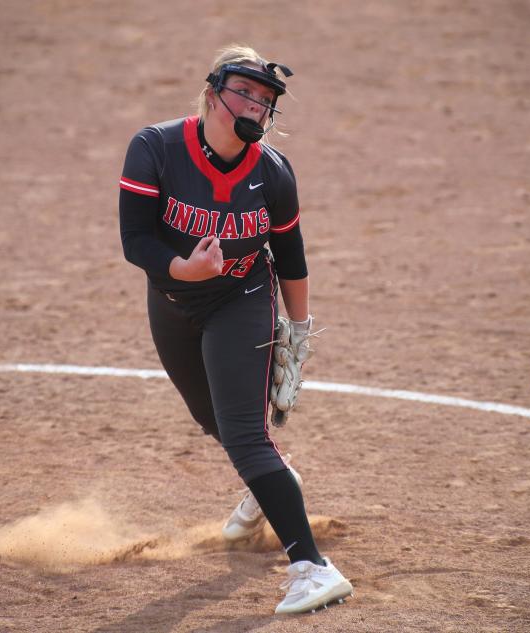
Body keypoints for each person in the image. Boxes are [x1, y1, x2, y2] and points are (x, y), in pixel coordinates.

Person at [117, 44, 353, 614]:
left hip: (242, 297)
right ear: (211, 91)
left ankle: (312, 568)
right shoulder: (155, 148)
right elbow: (136, 241)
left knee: (245, 434)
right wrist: (183, 269)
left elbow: (291, 257)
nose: (255, 106)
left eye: (266, 99)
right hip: (172, 297)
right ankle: (272, 481)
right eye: (244, 91)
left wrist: (298, 330)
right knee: (213, 419)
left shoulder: (272, 173)